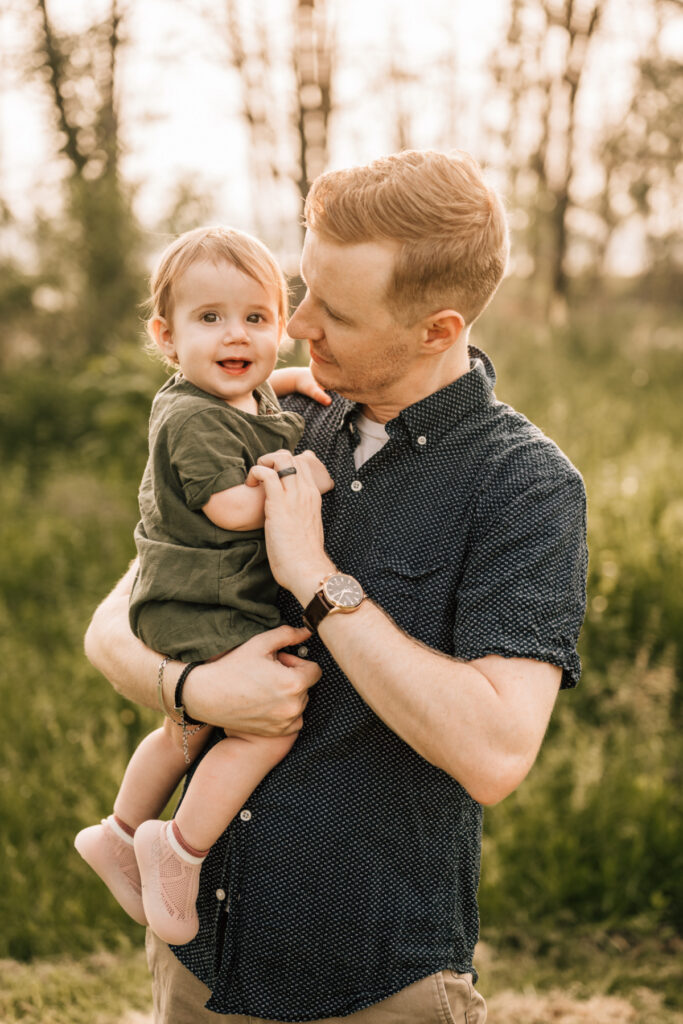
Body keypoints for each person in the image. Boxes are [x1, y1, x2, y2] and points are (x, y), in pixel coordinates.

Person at [84, 149, 588, 1024]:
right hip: (202, 954)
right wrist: (196, 689)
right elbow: (111, 626)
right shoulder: (274, 415)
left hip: (377, 977)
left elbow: (496, 752)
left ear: (437, 328)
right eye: (301, 287)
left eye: (334, 311)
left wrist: (316, 580)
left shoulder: (524, 486)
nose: (296, 324)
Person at [75, 225, 333, 947]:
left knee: (186, 728)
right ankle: (177, 849)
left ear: (279, 331)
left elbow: (249, 414)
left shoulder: (235, 398)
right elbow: (232, 507)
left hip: (190, 595)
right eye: (209, 318)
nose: (235, 335)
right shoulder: (190, 418)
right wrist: (296, 475)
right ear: (166, 336)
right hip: (201, 601)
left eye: (255, 318)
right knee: (263, 726)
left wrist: (277, 388)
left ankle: (118, 833)